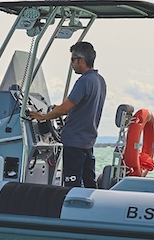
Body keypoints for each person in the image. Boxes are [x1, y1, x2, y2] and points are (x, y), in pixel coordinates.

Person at [26, 41, 106, 187]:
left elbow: (64, 109)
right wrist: (57, 109)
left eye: (73, 60)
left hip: (75, 143)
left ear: (81, 61)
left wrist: (42, 117)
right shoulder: (100, 81)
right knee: (89, 182)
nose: (71, 64)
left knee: (71, 185)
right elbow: (81, 106)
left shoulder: (84, 81)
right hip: (87, 142)